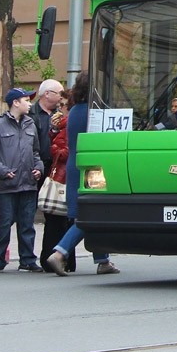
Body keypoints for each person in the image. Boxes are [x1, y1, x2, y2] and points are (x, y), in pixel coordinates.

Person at [46, 73, 120, 276]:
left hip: (75, 165)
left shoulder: (75, 111)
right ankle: (60, 253)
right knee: (91, 213)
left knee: (91, 212)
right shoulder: (94, 112)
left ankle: (103, 261)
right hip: (92, 169)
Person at [0, 87, 45, 273]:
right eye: (26, 100)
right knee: (4, 223)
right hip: (6, 185)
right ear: (15, 103)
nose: (30, 104)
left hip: (28, 184)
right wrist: (2, 171)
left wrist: (38, 169)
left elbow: (35, 152)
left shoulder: (30, 124)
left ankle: (27, 260)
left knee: (27, 225)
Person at [39, 91, 76, 272]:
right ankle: (65, 260)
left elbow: (66, 151)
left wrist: (54, 148)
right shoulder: (63, 124)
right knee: (60, 220)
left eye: (62, 104)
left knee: (57, 220)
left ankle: (55, 258)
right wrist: (54, 132)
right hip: (63, 176)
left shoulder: (70, 122)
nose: (59, 108)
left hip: (63, 177)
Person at [31, 79, 66, 269]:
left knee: (55, 214)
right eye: (59, 93)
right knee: (28, 214)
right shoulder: (30, 114)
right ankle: (28, 258)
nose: (61, 98)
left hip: (55, 170)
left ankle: (54, 257)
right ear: (47, 94)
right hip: (36, 169)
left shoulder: (60, 116)